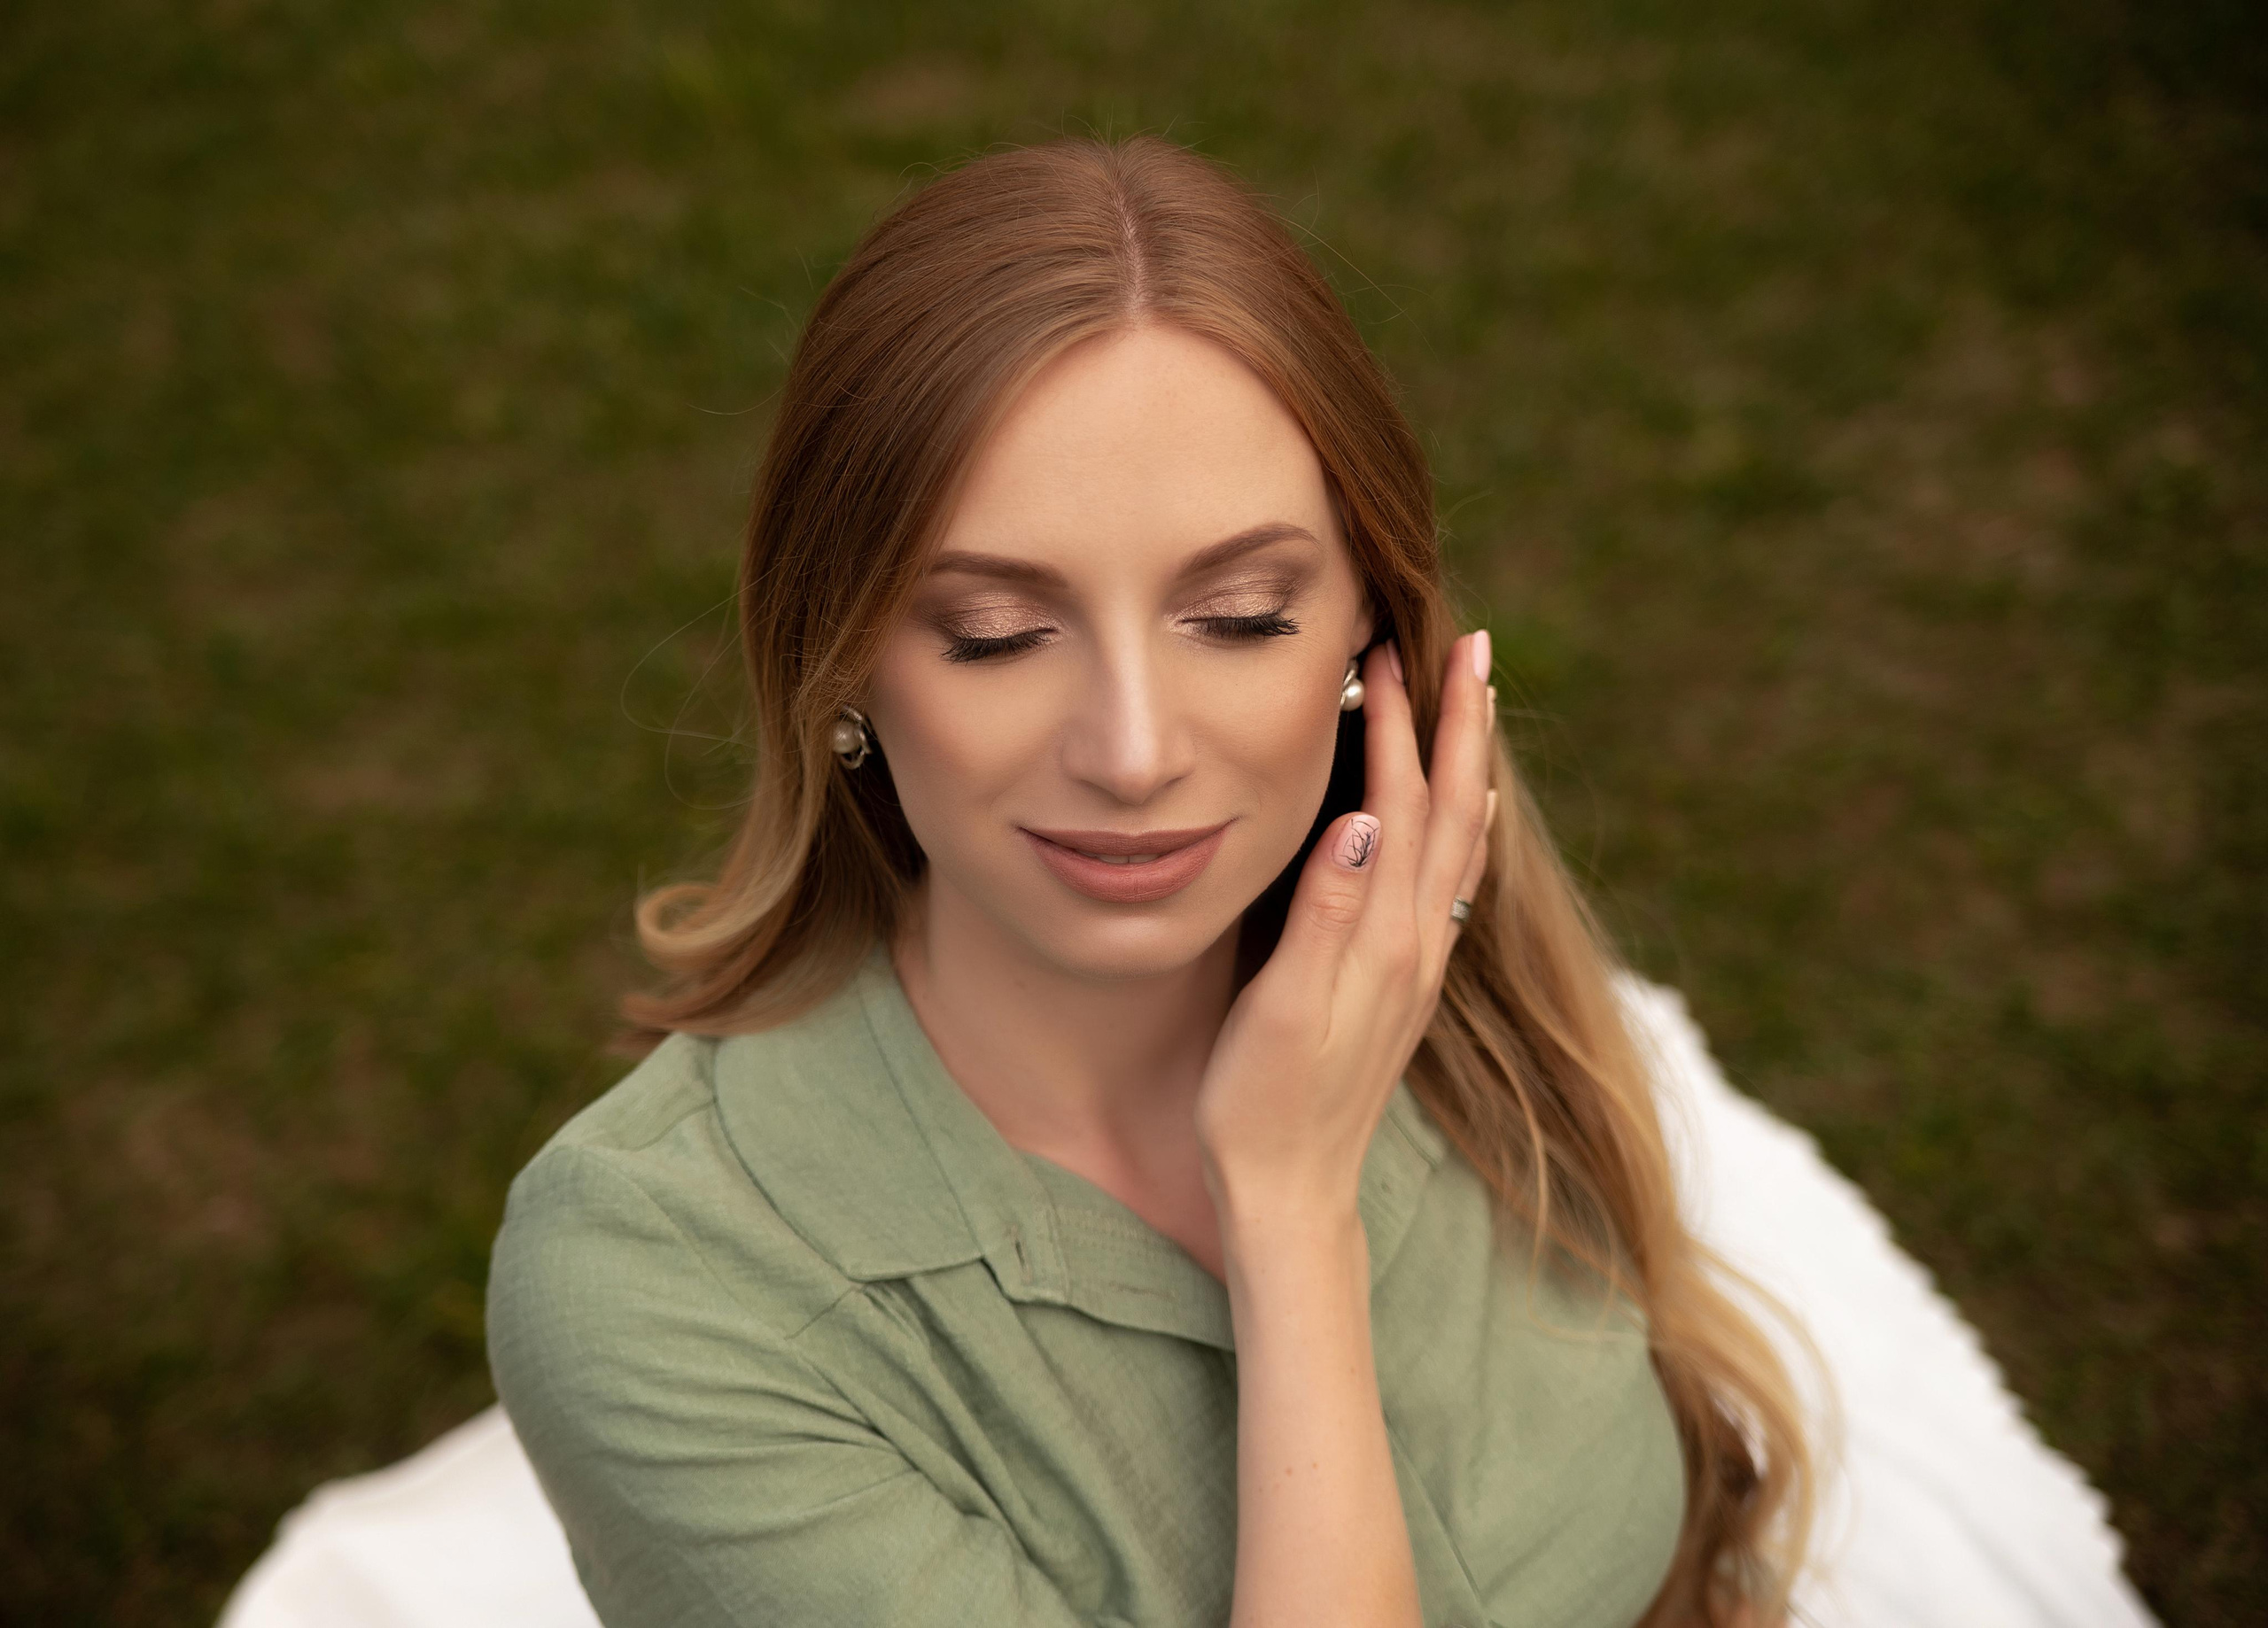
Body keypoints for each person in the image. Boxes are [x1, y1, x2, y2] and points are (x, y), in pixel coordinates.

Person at [478, 136, 1813, 1628]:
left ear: (1366, 633)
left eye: (1238, 616)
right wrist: (1291, 1209)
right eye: (993, 630)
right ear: (838, 653)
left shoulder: (1450, 984)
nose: (1130, 750)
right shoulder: (656, 1283)